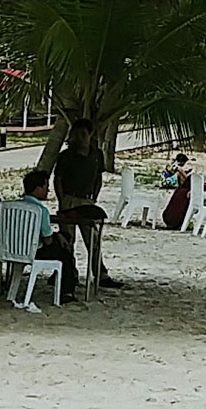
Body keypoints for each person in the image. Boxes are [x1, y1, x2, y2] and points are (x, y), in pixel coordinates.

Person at [54, 118, 121, 287]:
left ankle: (100, 274)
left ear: (90, 135)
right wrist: (62, 199)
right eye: (76, 135)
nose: (80, 138)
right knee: (67, 239)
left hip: (87, 199)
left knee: (93, 239)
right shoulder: (65, 156)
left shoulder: (96, 154)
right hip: (69, 198)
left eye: (83, 134)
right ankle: (69, 273)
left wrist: (94, 196)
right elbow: (58, 179)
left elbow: (99, 176)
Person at [19, 169, 79, 304]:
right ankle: (67, 290)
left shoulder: (12, 207)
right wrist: (58, 237)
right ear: (38, 188)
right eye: (46, 186)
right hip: (35, 251)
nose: (48, 190)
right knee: (65, 254)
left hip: (14, 249)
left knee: (61, 240)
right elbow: (47, 239)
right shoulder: (40, 210)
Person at [160, 153, 194, 230]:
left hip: (165, 179)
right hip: (167, 181)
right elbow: (182, 174)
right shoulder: (178, 167)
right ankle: (182, 185)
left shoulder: (172, 164)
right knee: (180, 175)